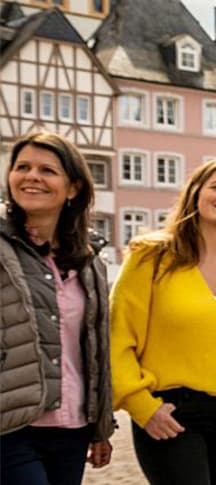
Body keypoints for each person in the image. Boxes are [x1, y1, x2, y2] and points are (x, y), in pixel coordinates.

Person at [110, 159, 216, 485]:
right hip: (173, 413)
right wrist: (141, 405)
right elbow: (117, 338)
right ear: (195, 194)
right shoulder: (150, 257)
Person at [0, 132, 115, 485]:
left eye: (46, 170)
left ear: (73, 188)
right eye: (22, 167)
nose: (31, 176)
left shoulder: (90, 260)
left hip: (72, 427)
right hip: (11, 426)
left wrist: (101, 425)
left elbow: (96, 349)